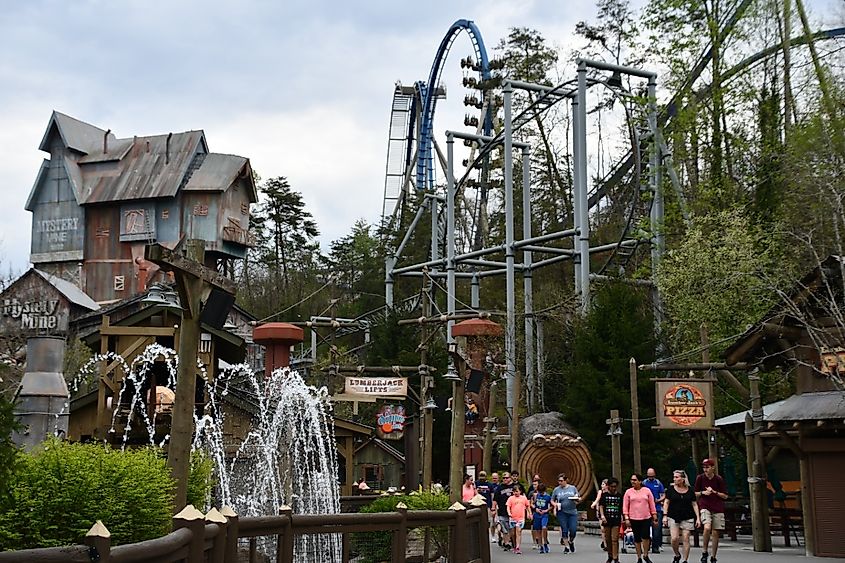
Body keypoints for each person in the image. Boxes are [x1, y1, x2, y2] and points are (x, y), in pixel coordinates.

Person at [694, 459, 728, 563]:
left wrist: (715, 492)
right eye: (704, 467)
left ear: (713, 467)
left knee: (715, 532)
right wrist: (703, 492)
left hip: (717, 507)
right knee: (707, 527)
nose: (705, 469)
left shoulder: (719, 479)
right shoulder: (700, 478)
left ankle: (713, 556)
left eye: (707, 467)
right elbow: (694, 493)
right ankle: (704, 551)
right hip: (705, 505)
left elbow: (725, 496)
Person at [664, 469, 701, 563]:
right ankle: (677, 554)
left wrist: (698, 518)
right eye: (674, 477)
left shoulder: (690, 490)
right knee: (674, 538)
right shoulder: (671, 489)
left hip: (687, 516)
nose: (675, 479)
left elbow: (694, 504)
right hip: (673, 515)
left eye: (677, 477)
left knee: (686, 537)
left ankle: (685, 560)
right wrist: (665, 515)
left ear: (683, 479)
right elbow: (666, 502)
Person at [623, 473, 658, 563]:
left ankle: (646, 554)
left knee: (646, 536)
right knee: (637, 538)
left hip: (646, 517)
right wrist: (626, 517)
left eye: (635, 480)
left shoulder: (647, 491)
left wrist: (654, 516)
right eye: (632, 480)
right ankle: (639, 556)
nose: (633, 482)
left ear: (640, 481)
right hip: (633, 517)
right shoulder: (628, 492)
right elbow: (625, 506)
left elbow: (652, 504)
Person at [551, 473, 581, 553]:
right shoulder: (556, 490)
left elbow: (578, 497)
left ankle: (571, 541)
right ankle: (566, 546)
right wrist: (555, 505)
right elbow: (552, 500)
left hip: (572, 511)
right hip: (562, 512)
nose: (559, 482)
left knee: (573, 530)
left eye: (561, 481)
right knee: (564, 529)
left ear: (565, 480)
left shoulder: (572, 488)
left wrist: (577, 499)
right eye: (558, 481)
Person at [599, 477, 623, 563]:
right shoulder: (604, 495)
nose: (613, 488)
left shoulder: (619, 496)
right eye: (612, 486)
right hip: (607, 519)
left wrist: (623, 518)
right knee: (608, 539)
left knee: (615, 539)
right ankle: (610, 555)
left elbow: (621, 508)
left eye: (615, 486)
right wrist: (602, 516)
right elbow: (601, 506)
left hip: (616, 519)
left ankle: (616, 557)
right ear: (608, 486)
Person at [644, 467, 666, 553]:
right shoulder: (644, 483)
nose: (651, 478)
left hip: (657, 508)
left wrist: (659, 500)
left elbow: (663, 494)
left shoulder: (658, 483)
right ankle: (647, 545)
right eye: (649, 476)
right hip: (646, 508)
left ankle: (656, 546)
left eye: (652, 476)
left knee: (657, 528)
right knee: (645, 529)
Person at [492, 472, 516, 551]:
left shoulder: (515, 487)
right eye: (504, 478)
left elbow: (522, 497)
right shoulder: (499, 488)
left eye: (507, 478)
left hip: (513, 512)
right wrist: (493, 509)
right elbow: (495, 499)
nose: (505, 479)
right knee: (504, 529)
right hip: (502, 511)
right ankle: (506, 543)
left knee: (512, 529)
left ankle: (513, 541)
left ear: (510, 478)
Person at [507, 484, 532, 555]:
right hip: (512, 518)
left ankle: (518, 547)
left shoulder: (523, 498)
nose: (516, 493)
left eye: (517, 491)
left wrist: (530, 513)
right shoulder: (511, 498)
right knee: (513, 533)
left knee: (518, 532)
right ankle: (514, 545)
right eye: (514, 491)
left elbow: (528, 506)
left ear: (520, 491)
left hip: (520, 518)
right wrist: (509, 513)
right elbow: (508, 506)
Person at [475, 471, 496, 542]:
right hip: (478, 505)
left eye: (483, 476)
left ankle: (492, 536)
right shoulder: (476, 483)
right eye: (481, 476)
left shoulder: (489, 485)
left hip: (487, 505)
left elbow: (492, 495)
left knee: (490, 521)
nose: (482, 478)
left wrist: (493, 506)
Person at [531, 482, 552, 552]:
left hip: (544, 514)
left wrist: (546, 510)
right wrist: (535, 509)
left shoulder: (548, 497)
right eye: (540, 492)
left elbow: (552, 505)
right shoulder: (536, 495)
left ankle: (545, 542)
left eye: (542, 492)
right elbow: (531, 503)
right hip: (537, 514)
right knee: (538, 531)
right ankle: (541, 545)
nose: (541, 493)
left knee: (544, 527)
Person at [592, 478, 609, 550]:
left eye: (603, 484)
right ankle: (605, 544)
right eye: (601, 484)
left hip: (608, 511)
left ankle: (607, 541)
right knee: (603, 529)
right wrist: (594, 504)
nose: (602, 486)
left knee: (608, 528)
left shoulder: (610, 492)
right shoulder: (600, 492)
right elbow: (597, 499)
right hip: (601, 511)